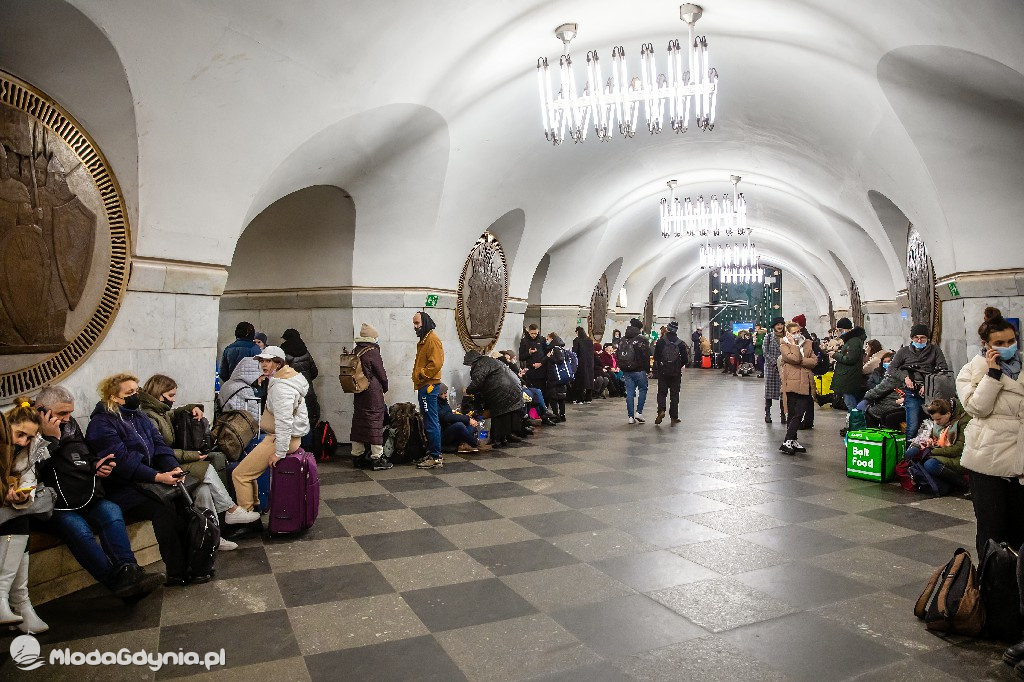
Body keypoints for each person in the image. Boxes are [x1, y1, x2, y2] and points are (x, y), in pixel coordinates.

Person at [33, 386, 165, 601]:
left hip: (82, 492)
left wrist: (96, 464)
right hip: (53, 503)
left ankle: (129, 571)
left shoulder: (70, 425)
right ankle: (118, 583)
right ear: (41, 410)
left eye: (70, 413)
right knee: (79, 530)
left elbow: (81, 453)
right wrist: (51, 439)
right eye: (61, 414)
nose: (67, 418)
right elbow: (31, 468)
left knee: (111, 511)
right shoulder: (27, 429)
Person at [85, 373, 196, 586]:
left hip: (145, 480)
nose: (136, 396)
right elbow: (123, 461)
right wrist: (157, 476)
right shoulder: (101, 423)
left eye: (136, 391)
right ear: (114, 398)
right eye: (130, 393)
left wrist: (172, 467)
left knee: (182, 500)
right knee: (162, 506)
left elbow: (159, 444)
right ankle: (177, 571)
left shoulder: (139, 416)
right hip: (121, 487)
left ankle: (192, 562)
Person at [138, 375, 252, 545]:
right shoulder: (149, 417)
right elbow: (159, 451)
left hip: (170, 462)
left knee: (204, 488)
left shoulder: (158, 410)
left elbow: (172, 412)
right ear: (158, 393)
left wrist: (194, 407)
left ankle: (212, 537)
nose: (173, 400)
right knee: (205, 468)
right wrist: (192, 456)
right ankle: (231, 509)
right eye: (170, 396)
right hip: (162, 468)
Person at [956, 307, 1023, 559]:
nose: (1007, 347)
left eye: (1011, 341)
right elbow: (976, 408)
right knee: (992, 532)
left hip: (1020, 461)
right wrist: (992, 374)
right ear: (986, 344)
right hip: (988, 460)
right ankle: (990, 587)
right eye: (1000, 343)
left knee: (1020, 533)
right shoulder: (972, 371)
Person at [231, 345, 311, 508]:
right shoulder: (286, 379)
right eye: (261, 361)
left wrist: (280, 452)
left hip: (282, 440)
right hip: (282, 438)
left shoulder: (281, 387)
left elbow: (284, 421)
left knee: (240, 475)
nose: (263, 365)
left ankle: (247, 516)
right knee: (246, 474)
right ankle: (252, 511)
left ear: (279, 363)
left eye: (268, 361)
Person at [0, 402, 52, 632]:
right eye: (19, 434)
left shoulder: (28, 450)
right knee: (18, 518)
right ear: (7, 425)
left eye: (29, 438)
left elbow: (29, 481)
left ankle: (15, 601)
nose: (23, 442)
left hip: (7, 511)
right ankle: (17, 602)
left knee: (20, 517)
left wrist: (23, 497)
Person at [888, 323, 949, 445]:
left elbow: (943, 369)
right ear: (912, 338)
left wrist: (929, 384)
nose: (919, 340)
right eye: (916, 337)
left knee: (932, 424)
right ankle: (908, 455)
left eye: (923, 338)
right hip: (912, 392)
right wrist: (905, 378)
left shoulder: (935, 350)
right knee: (913, 426)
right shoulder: (903, 352)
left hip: (931, 392)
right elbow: (892, 368)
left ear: (927, 339)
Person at [904, 399, 970, 494]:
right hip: (938, 448)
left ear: (948, 414)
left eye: (938, 419)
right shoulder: (941, 418)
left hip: (957, 456)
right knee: (911, 453)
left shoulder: (963, 421)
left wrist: (931, 451)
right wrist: (930, 441)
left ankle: (963, 484)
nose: (936, 422)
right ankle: (936, 482)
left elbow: (958, 449)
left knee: (930, 465)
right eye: (933, 419)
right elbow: (933, 435)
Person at [349, 323, 391, 470]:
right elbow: (382, 375)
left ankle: (357, 456)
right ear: (372, 337)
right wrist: (384, 388)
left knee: (359, 422)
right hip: (372, 393)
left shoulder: (357, 349)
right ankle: (377, 458)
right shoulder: (372, 351)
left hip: (359, 392)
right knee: (375, 422)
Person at [465, 350, 525, 447]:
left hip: (500, 389)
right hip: (514, 387)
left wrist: (468, 391)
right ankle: (504, 437)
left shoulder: (480, 364)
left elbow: (477, 381)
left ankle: (496, 439)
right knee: (506, 413)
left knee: (497, 414)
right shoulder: (489, 360)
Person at [412, 311, 445, 469]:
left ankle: (435, 456)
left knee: (431, 421)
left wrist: (422, 374)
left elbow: (436, 364)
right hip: (425, 385)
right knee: (429, 420)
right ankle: (433, 451)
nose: (415, 327)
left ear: (424, 322)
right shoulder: (425, 339)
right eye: (414, 323)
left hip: (429, 385)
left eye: (417, 323)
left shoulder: (432, 339)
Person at [779, 323, 817, 455]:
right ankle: (788, 441)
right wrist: (794, 345)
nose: (797, 334)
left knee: (800, 412)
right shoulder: (784, 345)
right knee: (794, 413)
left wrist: (800, 361)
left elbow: (814, 361)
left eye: (798, 331)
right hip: (792, 383)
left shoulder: (807, 343)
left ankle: (791, 440)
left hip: (806, 382)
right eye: (793, 332)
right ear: (788, 333)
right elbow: (793, 358)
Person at [281, 328, 320, 428]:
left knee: (294, 422)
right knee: (309, 419)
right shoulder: (305, 351)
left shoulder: (284, 353)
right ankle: (309, 442)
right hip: (308, 390)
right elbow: (314, 372)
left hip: (291, 392)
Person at [437, 384, 492, 453]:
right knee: (459, 426)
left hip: (448, 428)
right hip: (442, 434)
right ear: (439, 394)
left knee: (471, 424)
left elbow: (449, 415)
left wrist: (467, 419)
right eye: (444, 393)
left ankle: (463, 444)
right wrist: (467, 418)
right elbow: (446, 417)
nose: (446, 395)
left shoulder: (443, 402)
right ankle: (476, 444)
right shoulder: (436, 405)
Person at [860, 351, 906, 429]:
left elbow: (880, 389)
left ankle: (873, 434)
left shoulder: (894, 375)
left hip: (894, 403)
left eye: (889, 361)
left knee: (871, 411)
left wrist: (867, 397)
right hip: (893, 400)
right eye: (885, 362)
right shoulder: (882, 371)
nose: (887, 364)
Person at [831, 318, 867, 417]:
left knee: (850, 403)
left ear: (845, 329)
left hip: (849, 377)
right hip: (848, 376)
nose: (838, 332)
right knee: (849, 401)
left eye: (839, 330)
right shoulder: (853, 340)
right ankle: (854, 421)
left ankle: (856, 422)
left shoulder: (853, 341)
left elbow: (850, 359)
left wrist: (835, 355)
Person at [617, 319, 651, 424]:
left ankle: (630, 417)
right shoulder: (642, 339)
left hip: (626, 370)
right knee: (642, 389)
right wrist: (648, 370)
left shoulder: (622, 339)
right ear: (640, 328)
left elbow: (617, 354)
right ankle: (639, 412)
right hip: (639, 370)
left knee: (630, 392)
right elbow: (646, 356)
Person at [653, 321, 687, 426]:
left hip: (663, 372)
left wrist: (661, 366)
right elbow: (685, 359)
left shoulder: (661, 341)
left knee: (662, 393)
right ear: (676, 330)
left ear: (667, 329)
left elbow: (656, 357)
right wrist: (678, 365)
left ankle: (661, 410)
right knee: (674, 394)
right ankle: (674, 416)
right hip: (675, 373)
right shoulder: (680, 343)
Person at [763, 317, 787, 423]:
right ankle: (767, 414)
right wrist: (774, 363)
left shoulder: (787, 337)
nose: (779, 326)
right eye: (777, 324)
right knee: (769, 392)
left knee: (783, 392)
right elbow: (765, 352)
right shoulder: (768, 337)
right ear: (774, 326)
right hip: (771, 368)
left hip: (784, 368)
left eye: (781, 324)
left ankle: (783, 415)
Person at [544, 333, 570, 422]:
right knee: (561, 397)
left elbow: (559, 360)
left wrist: (549, 357)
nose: (547, 341)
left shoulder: (555, 349)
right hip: (561, 376)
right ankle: (562, 415)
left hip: (555, 376)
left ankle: (556, 415)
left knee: (553, 397)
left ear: (552, 339)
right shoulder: (561, 348)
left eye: (548, 339)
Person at [519, 325, 548, 392]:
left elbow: (547, 354)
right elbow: (521, 357)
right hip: (531, 370)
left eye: (535, 333)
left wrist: (541, 363)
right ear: (529, 332)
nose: (534, 335)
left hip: (542, 369)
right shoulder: (524, 341)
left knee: (543, 390)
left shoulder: (542, 340)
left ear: (538, 332)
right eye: (532, 333)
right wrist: (529, 353)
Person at [571, 327, 596, 404]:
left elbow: (574, 352)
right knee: (589, 380)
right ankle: (588, 398)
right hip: (589, 363)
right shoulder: (589, 340)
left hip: (580, 363)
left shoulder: (577, 340)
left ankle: (580, 399)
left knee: (580, 381)